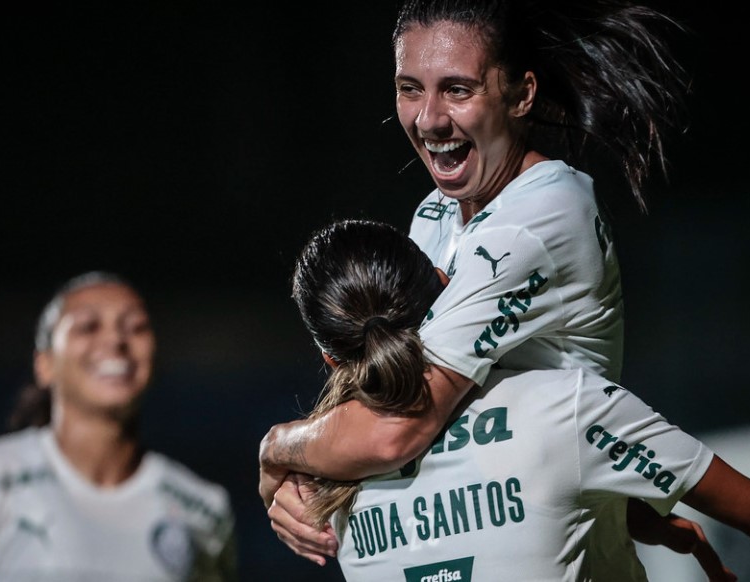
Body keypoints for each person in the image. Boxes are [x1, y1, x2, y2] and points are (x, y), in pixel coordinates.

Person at [259, 0, 698, 564]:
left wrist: (279, 451)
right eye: (410, 88)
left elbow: (398, 428)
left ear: (521, 95)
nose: (429, 118)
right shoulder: (435, 216)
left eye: (458, 90)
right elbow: (408, 392)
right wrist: (303, 476)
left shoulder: (539, 218)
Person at [287, 219, 750, 580]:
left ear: (330, 357)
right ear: (445, 283)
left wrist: (619, 514)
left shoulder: (323, 489)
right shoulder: (565, 407)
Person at [0, 271, 239, 582]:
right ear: (45, 364)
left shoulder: (203, 510)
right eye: (87, 327)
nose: (115, 340)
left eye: (136, 326)